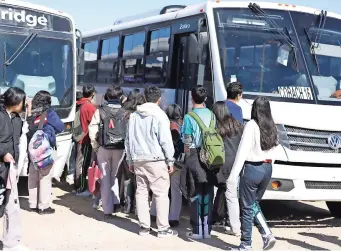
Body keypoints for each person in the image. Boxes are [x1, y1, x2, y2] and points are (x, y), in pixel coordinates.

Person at [125, 86, 178, 238]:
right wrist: (170, 160)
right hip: (156, 159)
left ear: (145, 97)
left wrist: (130, 159)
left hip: (138, 159)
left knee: (141, 192)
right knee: (161, 194)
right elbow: (166, 141)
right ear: (159, 99)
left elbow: (129, 140)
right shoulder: (160, 115)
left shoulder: (134, 115)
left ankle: (144, 228)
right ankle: (162, 229)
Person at [230, 97, 278, 251]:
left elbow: (242, 151)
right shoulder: (272, 124)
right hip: (267, 168)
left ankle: (247, 243)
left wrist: (233, 175)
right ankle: (266, 235)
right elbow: (275, 150)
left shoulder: (251, 125)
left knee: (247, 207)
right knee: (253, 204)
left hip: (252, 169)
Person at [180, 86, 215, 240]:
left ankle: (196, 230)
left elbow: (187, 140)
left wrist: (187, 155)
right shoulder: (213, 115)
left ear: (192, 99)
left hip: (194, 155)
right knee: (207, 191)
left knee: (194, 191)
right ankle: (207, 229)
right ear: (205, 99)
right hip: (210, 156)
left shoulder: (189, 117)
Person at [89, 86, 126, 218]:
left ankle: (107, 209)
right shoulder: (125, 112)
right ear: (121, 97)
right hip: (120, 148)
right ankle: (116, 202)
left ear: (107, 97)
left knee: (105, 177)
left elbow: (92, 130)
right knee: (114, 175)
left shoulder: (100, 111)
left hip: (104, 147)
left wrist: (96, 146)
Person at [0, 87, 29, 251]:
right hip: (1, 165)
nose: (24, 104)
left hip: (10, 169)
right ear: (17, 102)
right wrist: (3, 153)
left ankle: (12, 242)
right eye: (23, 101)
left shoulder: (18, 119)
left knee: (12, 205)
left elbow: (19, 142)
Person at [27, 91, 64, 215]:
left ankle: (32, 204)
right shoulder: (49, 113)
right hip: (45, 150)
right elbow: (60, 127)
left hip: (32, 150)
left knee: (33, 176)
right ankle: (44, 206)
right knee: (45, 177)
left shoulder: (31, 113)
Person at [210, 101, 243, 236]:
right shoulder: (237, 125)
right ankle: (235, 227)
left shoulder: (214, 127)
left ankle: (208, 222)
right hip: (235, 164)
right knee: (232, 196)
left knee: (212, 191)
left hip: (219, 163)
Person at [150, 104, 184, 227]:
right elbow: (180, 147)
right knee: (176, 190)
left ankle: (153, 213)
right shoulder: (180, 127)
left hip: (162, 162)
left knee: (158, 188)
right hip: (176, 164)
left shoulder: (163, 125)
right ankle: (174, 217)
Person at [75, 84, 97, 196]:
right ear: (92, 94)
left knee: (78, 163)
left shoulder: (78, 103)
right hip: (86, 140)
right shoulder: (90, 107)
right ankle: (82, 188)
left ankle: (77, 185)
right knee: (83, 165)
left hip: (78, 138)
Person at [66, 91, 83, 185]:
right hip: (78, 136)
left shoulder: (72, 108)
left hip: (72, 135)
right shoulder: (80, 109)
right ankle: (71, 174)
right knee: (75, 157)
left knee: (71, 156)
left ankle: (70, 173)